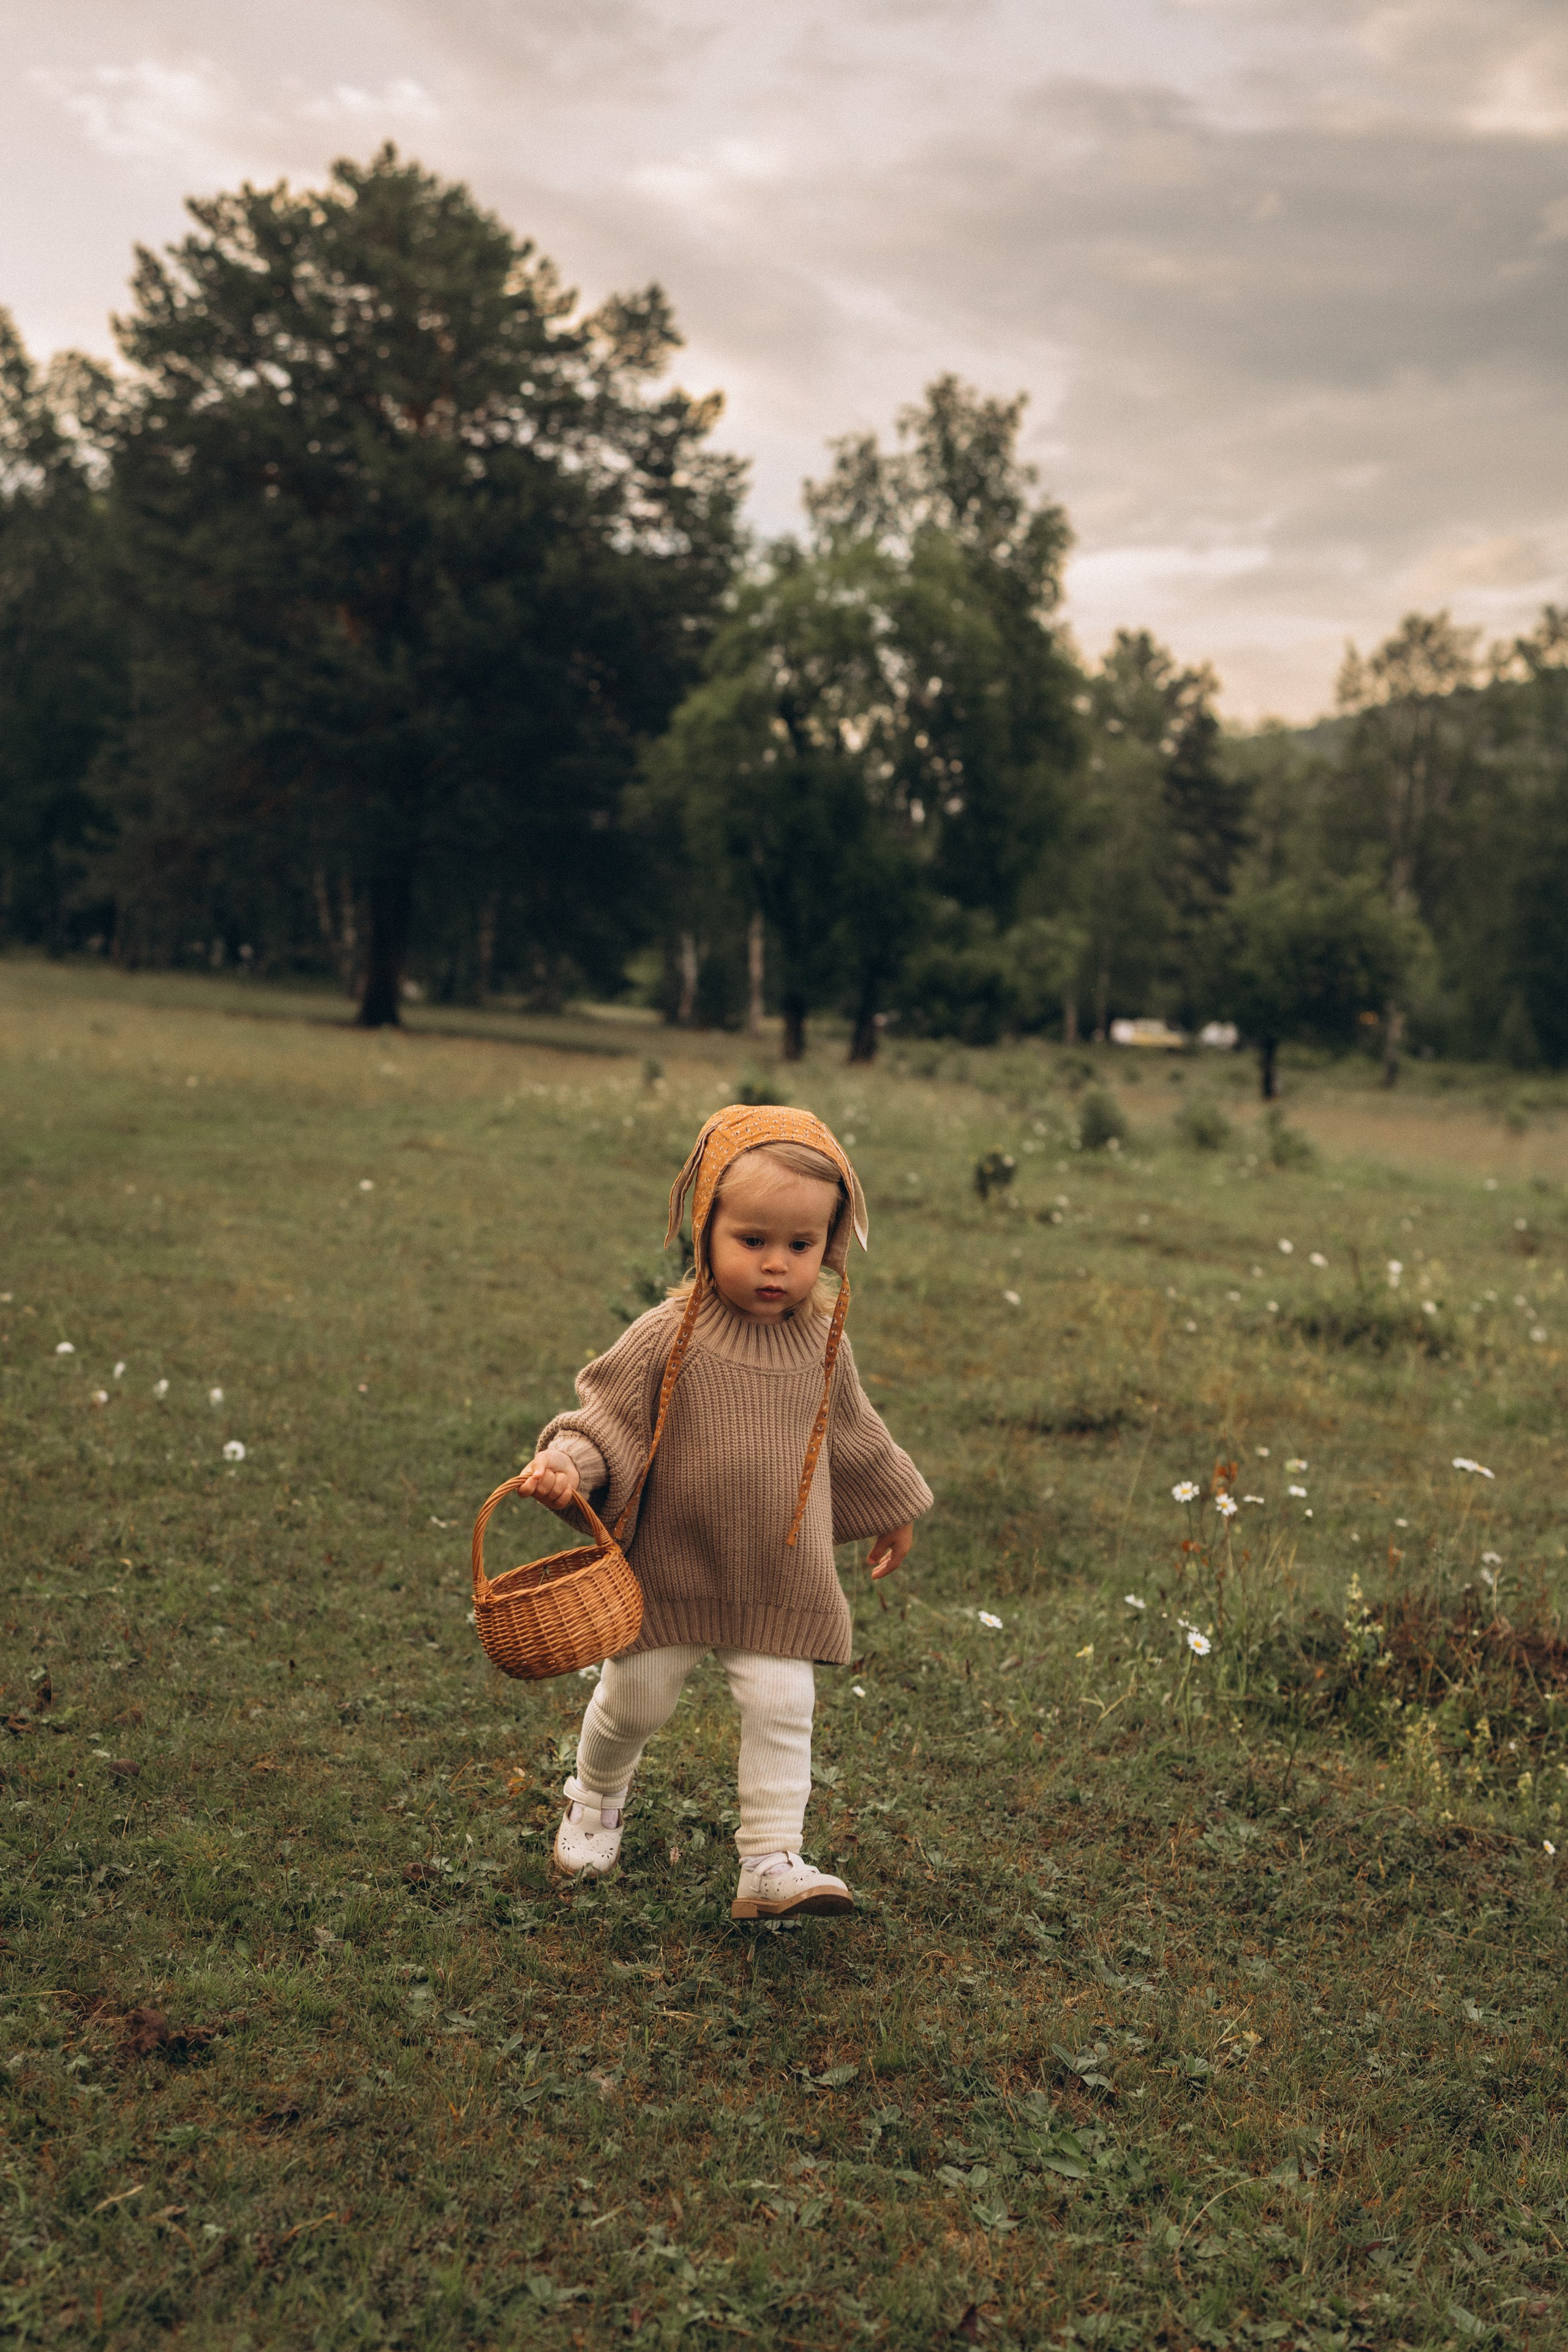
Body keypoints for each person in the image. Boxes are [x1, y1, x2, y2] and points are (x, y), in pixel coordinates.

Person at [517, 1104, 933, 1921]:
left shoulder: (825, 1348)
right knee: (636, 1702)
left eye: (801, 1245)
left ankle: (772, 1859)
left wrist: (895, 1504)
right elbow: (607, 1420)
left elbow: (853, 1432)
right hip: (669, 1572)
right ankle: (595, 1799)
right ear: (704, 1231)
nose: (777, 1264)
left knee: (785, 1709)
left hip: (779, 1575)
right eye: (753, 1240)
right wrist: (570, 1462)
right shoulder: (669, 1335)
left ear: (832, 1246)